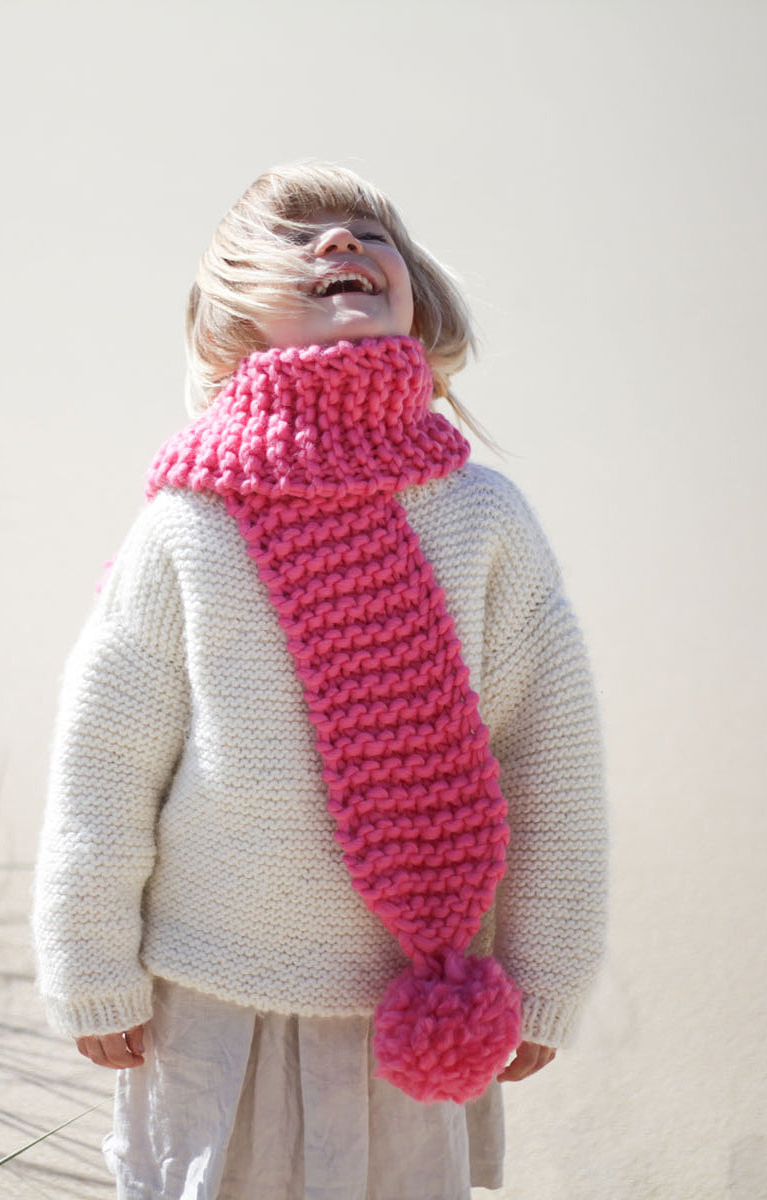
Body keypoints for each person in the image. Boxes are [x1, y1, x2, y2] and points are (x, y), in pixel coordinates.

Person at [31, 162, 609, 1199]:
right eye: (298, 240)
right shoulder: (191, 523)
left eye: (368, 233)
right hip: (213, 1002)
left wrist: (547, 971)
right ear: (231, 319)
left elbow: (548, 758)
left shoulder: (480, 516)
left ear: (418, 292)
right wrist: (90, 962)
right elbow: (105, 759)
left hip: (412, 1009)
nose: (340, 245)